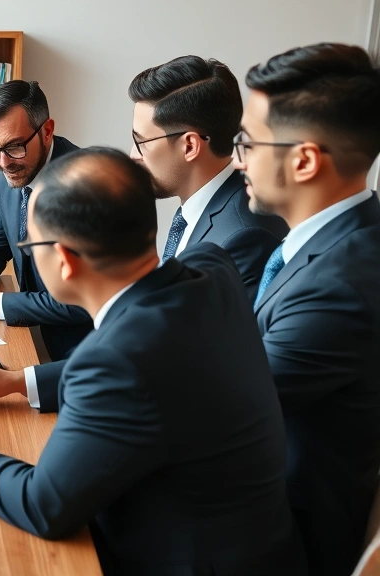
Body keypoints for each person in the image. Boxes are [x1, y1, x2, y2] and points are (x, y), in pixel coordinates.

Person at [0, 147, 305, 574]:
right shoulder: (208, 267)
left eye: (30, 243)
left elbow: (45, 505)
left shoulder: (114, 362)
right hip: (259, 541)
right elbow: (152, 372)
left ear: (62, 260)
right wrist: (19, 380)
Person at [234, 43, 380, 576]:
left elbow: (221, 399)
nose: (237, 158)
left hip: (284, 539)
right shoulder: (333, 243)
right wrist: (31, 381)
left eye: (247, 142)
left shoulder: (342, 284)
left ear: (303, 159)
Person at [0, 80, 91, 362]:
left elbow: (81, 300)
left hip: (85, 353)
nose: (1, 162)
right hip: (35, 335)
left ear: (47, 131)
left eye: (14, 147)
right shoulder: (5, 171)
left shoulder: (88, 189)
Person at [128, 55, 288, 302]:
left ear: (190, 146)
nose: (132, 155)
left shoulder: (243, 237)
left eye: (141, 143)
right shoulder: (201, 204)